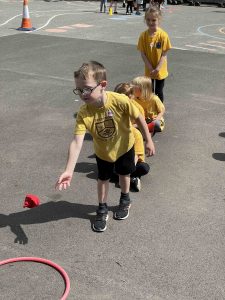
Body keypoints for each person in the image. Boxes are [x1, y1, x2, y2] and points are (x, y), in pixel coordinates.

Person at [55, 61, 155, 233]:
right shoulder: (84, 113)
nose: (82, 94)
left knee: (125, 174)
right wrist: (69, 170)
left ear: (102, 85)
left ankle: (125, 199)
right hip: (103, 153)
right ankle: (102, 208)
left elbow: (138, 117)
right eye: (78, 90)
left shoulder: (120, 100)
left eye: (86, 89)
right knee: (103, 179)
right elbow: (76, 142)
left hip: (125, 146)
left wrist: (148, 140)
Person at [112, 82, 150, 192]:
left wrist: (127, 170)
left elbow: (137, 155)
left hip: (133, 162)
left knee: (143, 168)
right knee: (107, 168)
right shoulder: (114, 109)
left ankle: (127, 177)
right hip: (120, 159)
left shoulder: (136, 109)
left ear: (131, 96)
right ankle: (130, 179)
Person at [137, 6, 172, 102]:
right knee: (150, 90)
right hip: (149, 70)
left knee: (158, 90)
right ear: (145, 19)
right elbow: (143, 53)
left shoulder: (163, 35)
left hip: (160, 70)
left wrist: (157, 69)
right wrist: (150, 68)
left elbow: (164, 54)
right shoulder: (143, 36)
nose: (150, 22)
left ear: (159, 20)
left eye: (153, 20)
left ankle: (160, 109)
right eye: (148, 20)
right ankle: (151, 108)